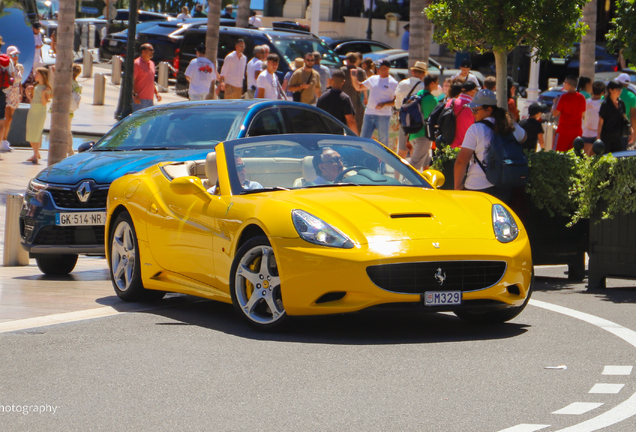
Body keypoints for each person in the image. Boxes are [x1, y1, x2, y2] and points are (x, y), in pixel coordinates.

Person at [454, 89, 526, 204]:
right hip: (504, 185)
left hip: (477, 186)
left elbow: (461, 161)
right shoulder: (509, 125)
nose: (473, 114)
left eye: (476, 110)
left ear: (489, 110)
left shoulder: (476, 129)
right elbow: (524, 137)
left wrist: (457, 186)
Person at [350, 59, 398, 146]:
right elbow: (359, 87)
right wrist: (354, 78)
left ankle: (382, 159)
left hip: (383, 115)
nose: (377, 68)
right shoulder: (373, 78)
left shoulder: (393, 83)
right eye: (376, 67)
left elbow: (396, 101)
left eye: (379, 67)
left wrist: (385, 104)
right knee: (364, 139)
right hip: (369, 113)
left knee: (383, 141)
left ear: (386, 68)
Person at [407, 73, 440, 170]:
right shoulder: (432, 100)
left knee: (425, 162)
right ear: (432, 84)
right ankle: (404, 184)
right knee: (414, 165)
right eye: (437, 83)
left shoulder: (417, 95)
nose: (438, 85)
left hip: (412, 134)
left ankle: (427, 183)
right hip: (423, 135)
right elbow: (434, 118)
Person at [394, 61, 426, 160]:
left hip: (404, 119)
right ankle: (410, 174)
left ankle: (397, 174)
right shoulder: (424, 87)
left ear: (413, 72)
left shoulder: (402, 83)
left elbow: (397, 103)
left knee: (402, 150)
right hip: (418, 120)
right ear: (423, 74)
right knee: (414, 150)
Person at [316, 70, 358, 135]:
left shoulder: (322, 97)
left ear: (331, 80)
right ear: (343, 82)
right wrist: (357, 137)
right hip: (338, 136)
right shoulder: (344, 98)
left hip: (324, 134)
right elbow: (351, 121)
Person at [551, 75, 586, 152]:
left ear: (568, 84)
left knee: (557, 153)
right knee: (574, 155)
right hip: (576, 131)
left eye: (565, 82)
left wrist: (554, 103)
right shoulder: (582, 98)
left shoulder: (563, 97)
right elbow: (583, 115)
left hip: (564, 131)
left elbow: (555, 113)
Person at [25, 68, 51, 164]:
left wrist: (44, 93)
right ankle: (35, 153)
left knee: (36, 132)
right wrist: (27, 93)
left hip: (40, 111)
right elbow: (33, 100)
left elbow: (44, 103)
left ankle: (35, 154)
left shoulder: (46, 88)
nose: (35, 75)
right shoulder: (36, 86)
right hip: (33, 110)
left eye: (37, 74)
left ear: (42, 75)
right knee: (30, 131)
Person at [598, 80, 632, 153]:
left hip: (618, 137)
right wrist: (598, 137)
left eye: (620, 89)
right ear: (610, 90)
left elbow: (624, 116)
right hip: (606, 137)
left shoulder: (621, 103)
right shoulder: (605, 104)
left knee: (618, 158)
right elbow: (600, 122)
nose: (619, 91)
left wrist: (630, 129)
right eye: (617, 90)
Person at [2, 45, 23, 152]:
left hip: (15, 93)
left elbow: (19, 82)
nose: (16, 57)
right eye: (13, 55)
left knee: (10, 119)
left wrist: (21, 93)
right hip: (7, 93)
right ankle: (2, 140)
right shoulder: (6, 66)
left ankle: (4, 141)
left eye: (17, 54)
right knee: (7, 118)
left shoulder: (19, 67)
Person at [446, 80, 478, 148]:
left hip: (449, 145)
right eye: (476, 90)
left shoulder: (451, 102)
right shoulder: (474, 106)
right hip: (466, 147)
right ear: (472, 91)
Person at [341, 52, 366, 131]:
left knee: (344, 122)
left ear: (347, 60)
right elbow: (364, 86)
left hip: (344, 100)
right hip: (357, 100)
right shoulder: (361, 71)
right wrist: (365, 97)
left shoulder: (343, 70)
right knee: (357, 122)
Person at [133, 44, 162, 111]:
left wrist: (156, 93)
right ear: (143, 52)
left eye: (152, 50)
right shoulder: (137, 63)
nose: (152, 52)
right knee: (139, 120)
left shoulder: (152, 63)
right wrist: (135, 95)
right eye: (150, 50)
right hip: (140, 99)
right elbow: (132, 81)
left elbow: (151, 80)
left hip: (150, 99)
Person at [581, 81, 605, 155]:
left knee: (586, 157)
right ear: (603, 92)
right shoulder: (604, 104)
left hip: (586, 133)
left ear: (592, 90)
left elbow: (582, 116)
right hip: (599, 134)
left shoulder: (586, 102)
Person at [615, 73, 636, 147]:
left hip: (611, 127)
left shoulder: (613, 93)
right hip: (624, 129)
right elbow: (633, 116)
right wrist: (634, 132)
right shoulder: (632, 96)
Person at [67, 64, 82, 157]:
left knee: (66, 131)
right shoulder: (78, 85)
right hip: (71, 110)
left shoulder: (67, 83)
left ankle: (70, 150)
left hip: (64, 109)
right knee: (68, 130)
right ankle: (69, 149)